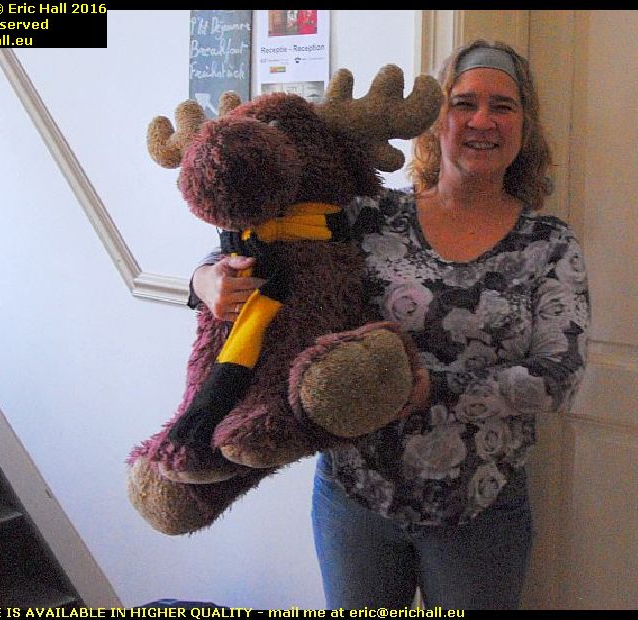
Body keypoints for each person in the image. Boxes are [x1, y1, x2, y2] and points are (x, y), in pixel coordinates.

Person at [190, 40, 590, 610]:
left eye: (502, 106)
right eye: (464, 103)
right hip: (354, 498)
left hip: (480, 510)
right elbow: (266, 246)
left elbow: (559, 377)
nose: (482, 120)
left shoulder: (548, 243)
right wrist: (205, 280)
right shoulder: (372, 215)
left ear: (525, 127)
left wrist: (433, 388)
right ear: (438, 120)